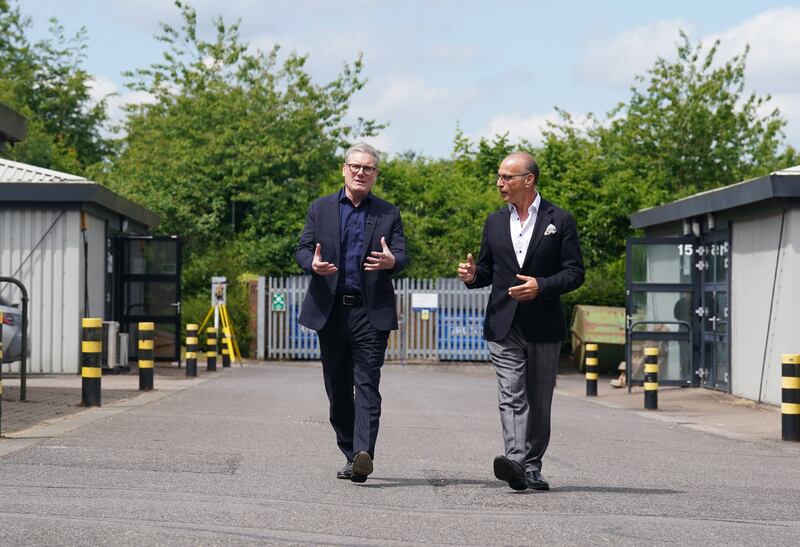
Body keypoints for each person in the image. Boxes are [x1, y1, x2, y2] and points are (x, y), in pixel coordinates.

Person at [457, 151, 584, 491]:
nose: (500, 183)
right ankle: (516, 461)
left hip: (543, 325)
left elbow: (574, 273)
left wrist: (541, 286)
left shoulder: (562, 219)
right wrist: (472, 275)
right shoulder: (494, 221)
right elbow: (487, 271)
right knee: (511, 395)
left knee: (539, 400)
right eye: (499, 177)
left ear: (528, 180)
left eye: (507, 177)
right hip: (503, 323)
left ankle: (532, 465)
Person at [295, 142, 408, 484]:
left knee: (367, 383)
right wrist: (312, 264)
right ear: (344, 169)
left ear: (375, 175)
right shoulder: (321, 208)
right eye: (355, 167)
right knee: (338, 389)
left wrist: (392, 261)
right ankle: (350, 451)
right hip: (331, 312)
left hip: (369, 313)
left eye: (368, 168)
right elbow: (302, 248)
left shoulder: (388, 213)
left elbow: (402, 254)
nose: (361, 173)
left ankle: (363, 454)